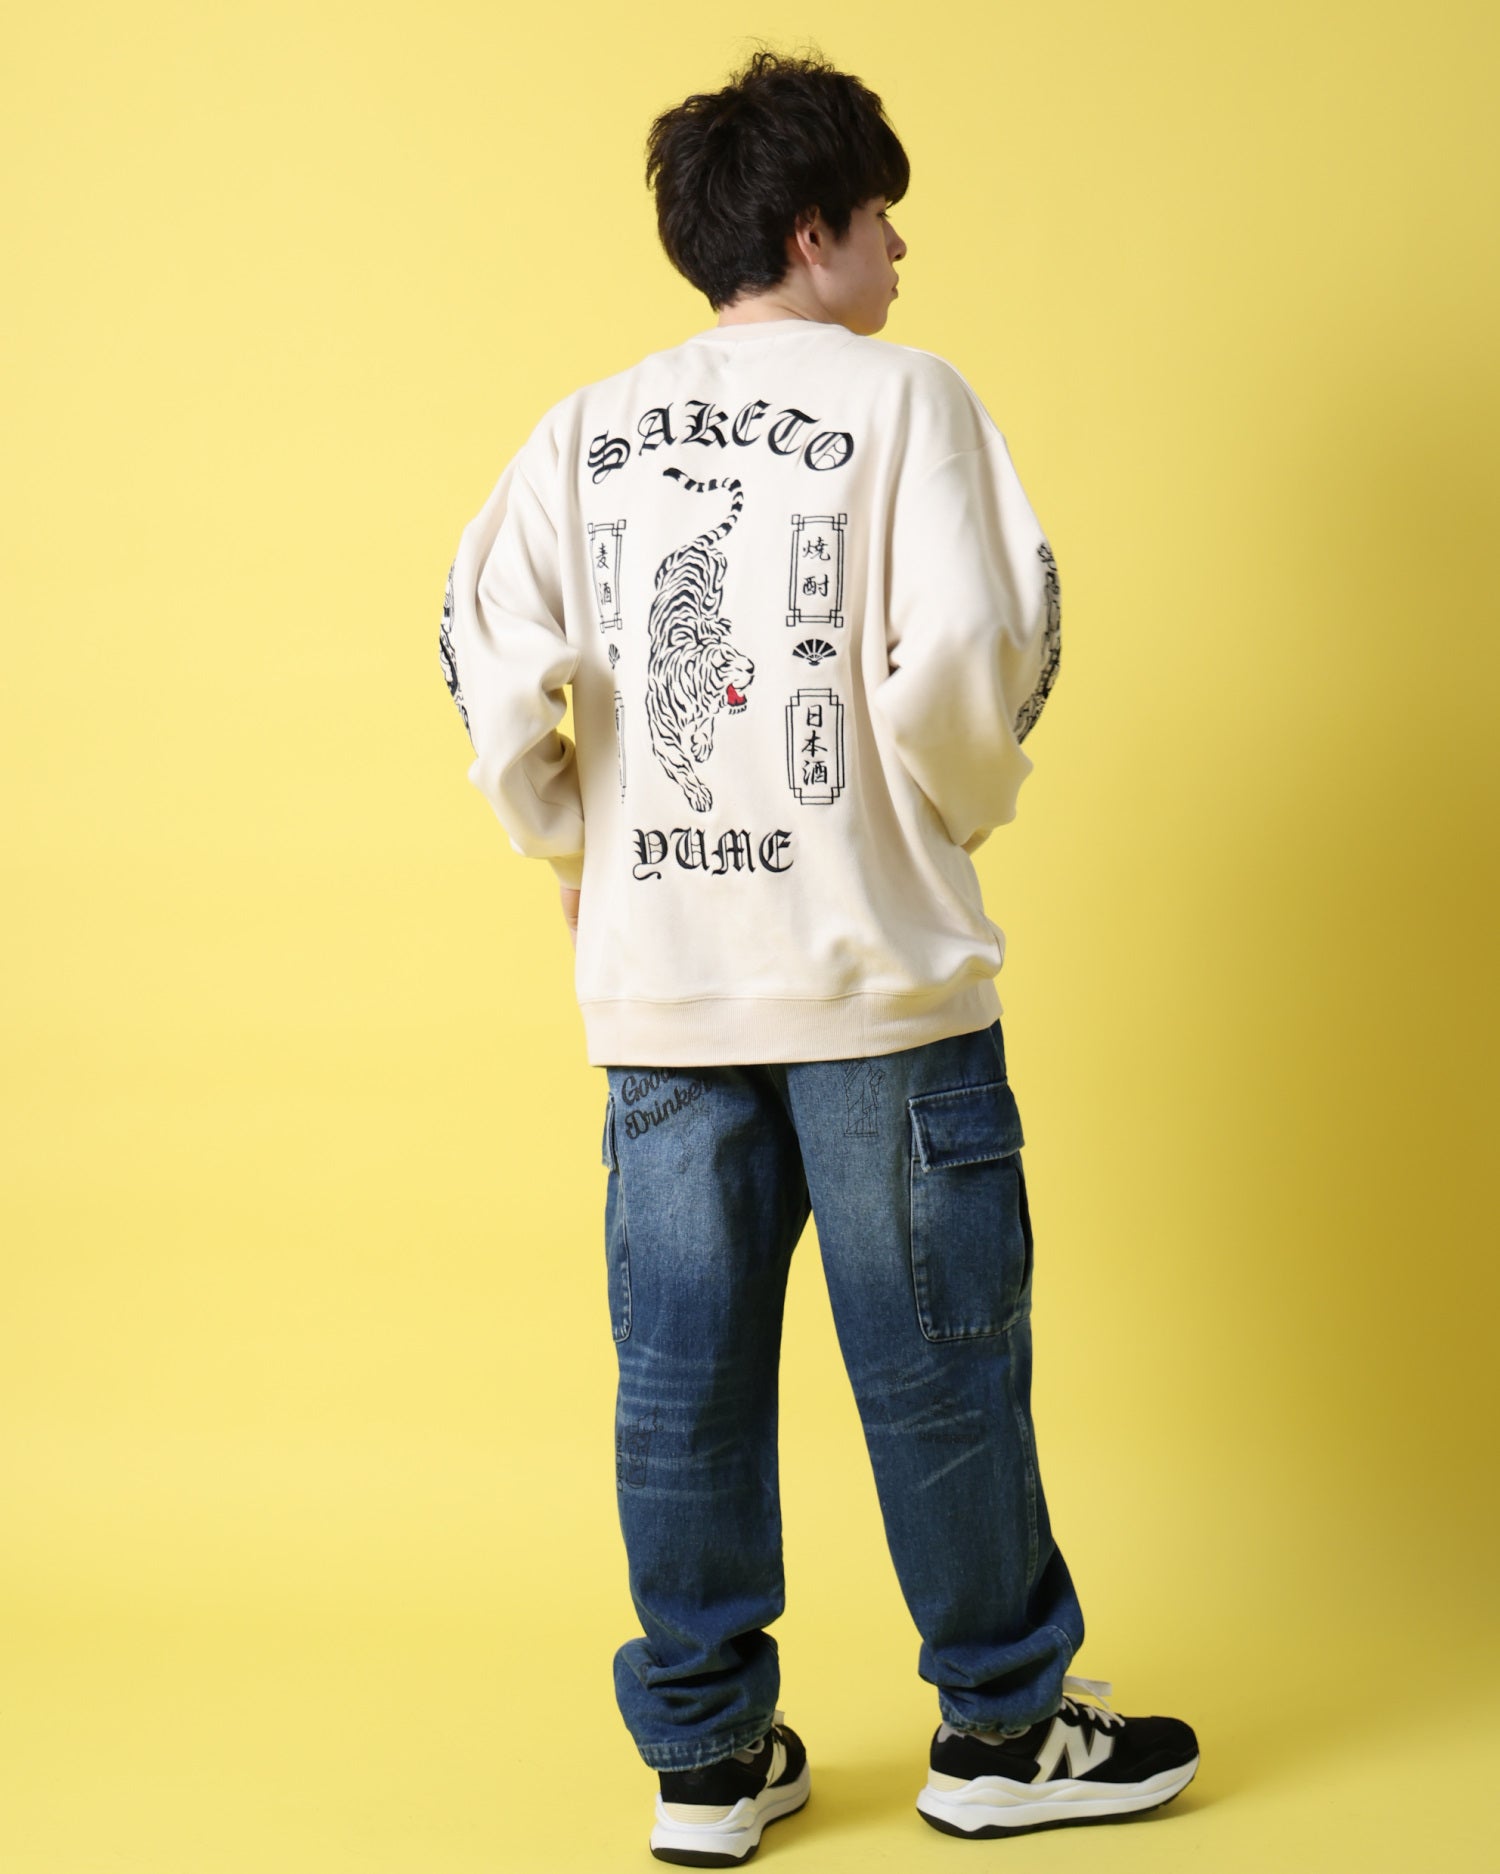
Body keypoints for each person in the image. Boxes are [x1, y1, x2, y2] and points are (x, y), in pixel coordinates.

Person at [439, 44, 1199, 1865]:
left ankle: (707, 1758)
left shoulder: (583, 429)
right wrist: (955, 812)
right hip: (878, 976)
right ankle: (1002, 1725)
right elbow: (970, 651)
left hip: (665, 987)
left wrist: (572, 845)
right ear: (813, 231)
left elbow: (484, 655)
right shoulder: (907, 399)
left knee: (680, 1378)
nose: (902, 250)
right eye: (883, 218)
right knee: (940, 1363)